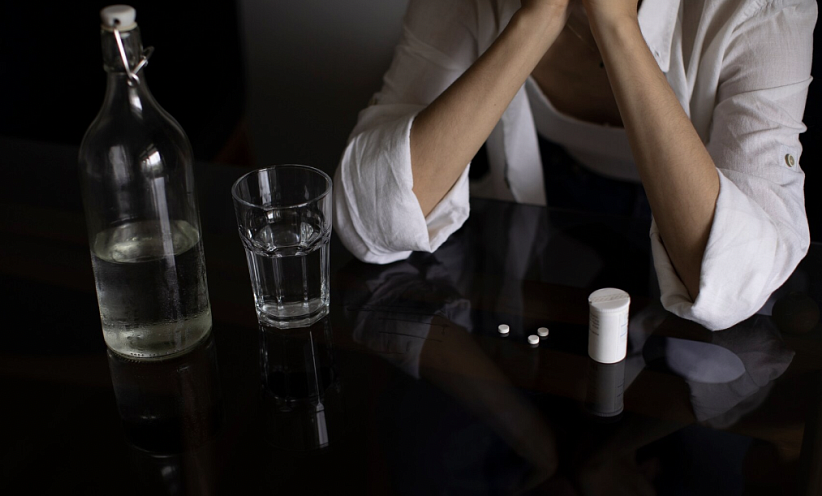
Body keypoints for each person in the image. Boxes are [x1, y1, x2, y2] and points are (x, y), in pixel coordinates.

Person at [332, 0, 816, 331]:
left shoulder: (764, 9)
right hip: (542, 212)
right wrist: (537, 20)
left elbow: (733, 280)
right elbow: (369, 220)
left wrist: (617, 26)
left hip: (689, 257)